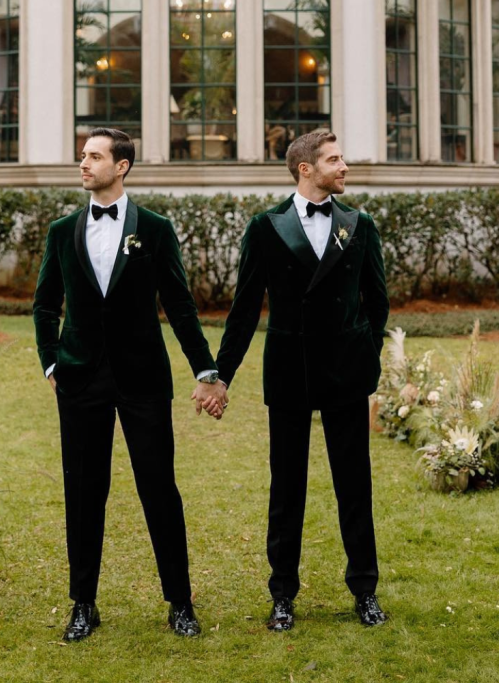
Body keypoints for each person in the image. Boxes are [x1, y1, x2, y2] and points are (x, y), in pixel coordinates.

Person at [33, 127, 225, 642]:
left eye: (94, 156)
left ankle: (180, 603)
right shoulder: (62, 230)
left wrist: (206, 370)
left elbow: (180, 306)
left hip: (142, 379)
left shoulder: (156, 230)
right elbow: (45, 304)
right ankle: (83, 604)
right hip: (79, 381)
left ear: (121, 166)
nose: (84, 164)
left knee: (159, 489)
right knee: (83, 492)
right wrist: (51, 363)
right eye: (82, 156)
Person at [204, 131, 390, 631]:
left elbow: (378, 302)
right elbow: (244, 310)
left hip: (345, 375)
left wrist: (365, 356)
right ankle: (282, 593)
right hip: (289, 371)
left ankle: (365, 590)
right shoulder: (266, 227)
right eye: (334, 159)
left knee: (355, 486)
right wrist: (222, 375)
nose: (344, 165)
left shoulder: (360, 224)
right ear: (305, 169)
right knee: (287, 488)